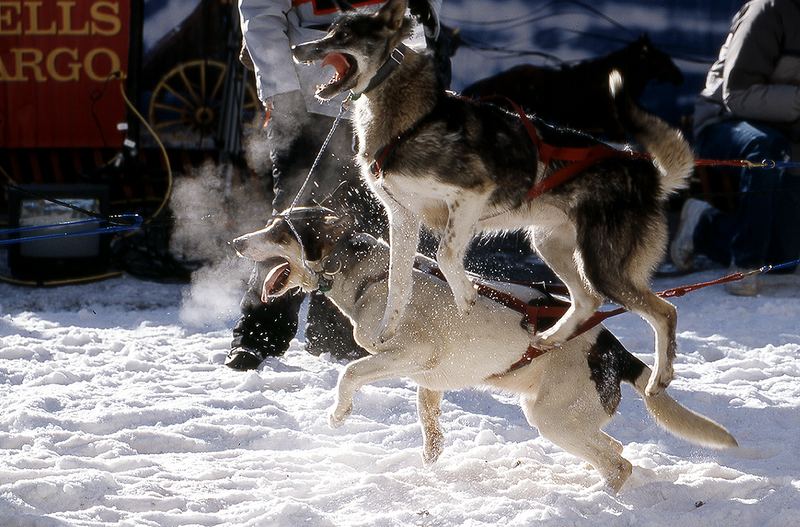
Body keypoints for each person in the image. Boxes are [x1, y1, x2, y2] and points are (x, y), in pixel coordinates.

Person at [227, 0, 445, 370]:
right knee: (292, 223)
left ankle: (343, 339)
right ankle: (259, 336)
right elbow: (261, 13)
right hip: (305, 95)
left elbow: (418, 15)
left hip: (383, 98)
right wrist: (280, 91)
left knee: (374, 218)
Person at [670, 0, 800, 296]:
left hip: (787, 133)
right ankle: (744, 266)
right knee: (767, 146)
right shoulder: (767, 10)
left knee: (783, 260)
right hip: (724, 122)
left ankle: (702, 224)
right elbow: (737, 95)